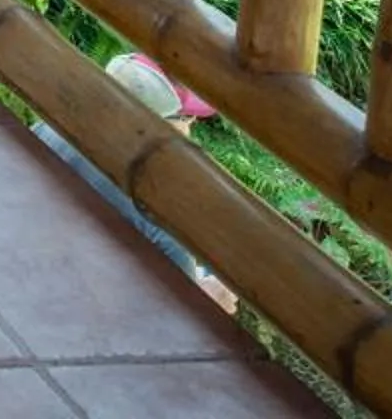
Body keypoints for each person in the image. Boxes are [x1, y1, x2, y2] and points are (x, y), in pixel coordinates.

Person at [32, 51, 241, 312]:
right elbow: (179, 311)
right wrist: (209, 299)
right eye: (186, 118)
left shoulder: (49, 128)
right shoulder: (155, 202)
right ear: (151, 125)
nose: (191, 126)